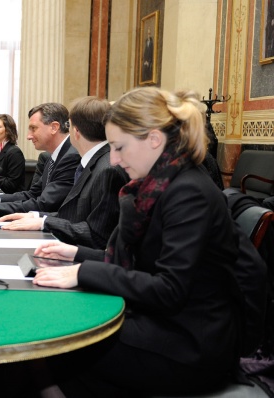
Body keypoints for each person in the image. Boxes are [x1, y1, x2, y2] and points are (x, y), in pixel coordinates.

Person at [32, 87, 245, 396]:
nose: (114, 160)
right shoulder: (157, 184)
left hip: (191, 343)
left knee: (54, 345)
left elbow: (168, 289)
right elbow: (135, 265)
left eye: (119, 147)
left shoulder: (188, 193)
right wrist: (75, 253)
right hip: (166, 323)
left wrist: (82, 272)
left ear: (154, 139)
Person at [0, 97, 129, 249]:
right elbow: (74, 215)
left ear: (76, 131)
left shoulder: (107, 169)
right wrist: (36, 217)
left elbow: (97, 235)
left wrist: (44, 222)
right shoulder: (93, 162)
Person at [0, 103, 80, 217]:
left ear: (54, 127)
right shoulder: (53, 156)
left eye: (33, 128)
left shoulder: (70, 157)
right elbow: (32, 194)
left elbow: (44, 204)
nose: (28, 136)